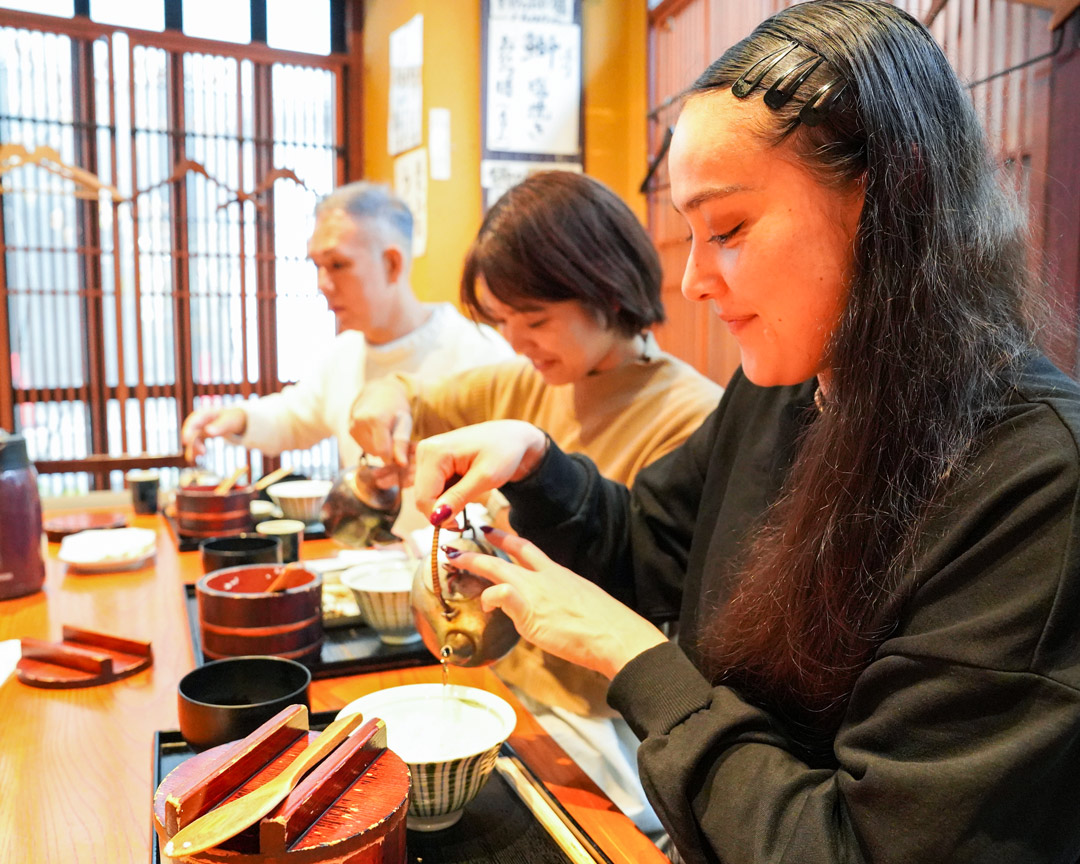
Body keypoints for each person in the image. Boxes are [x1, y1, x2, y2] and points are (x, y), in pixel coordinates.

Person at [403, 2, 1080, 862]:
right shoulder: (787, 386)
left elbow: (858, 845)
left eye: (726, 229)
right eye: (690, 234)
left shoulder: (1035, 483)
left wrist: (634, 660)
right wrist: (538, 466)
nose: (692, 280)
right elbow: (653, 546)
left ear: (889, 202)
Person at [349, 170, 723, 836]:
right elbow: (412, 392)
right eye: (502, 322)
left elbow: (649, 593)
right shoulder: (527, 381)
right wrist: (383, 401)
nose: (517, 341)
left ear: (606, 288)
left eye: (535, 320)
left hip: (599, 722)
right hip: (503, 685)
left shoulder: (691, 417)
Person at [179, 181, 514, 472]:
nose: (322, 284)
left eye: (338, 264)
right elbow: (294, 417)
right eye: (318, 266)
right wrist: (237, 418)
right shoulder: (344, 353)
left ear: (392, 264)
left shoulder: (480, 353)